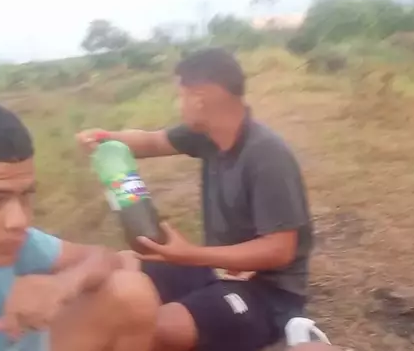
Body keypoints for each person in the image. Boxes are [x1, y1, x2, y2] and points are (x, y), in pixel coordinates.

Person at [77, 47, 314, 351]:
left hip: (269, 294)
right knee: (121, 265)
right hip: (215, 270)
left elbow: (280, 250)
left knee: (158, 328)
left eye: (181, 95)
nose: (179, 104)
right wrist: (105, 139)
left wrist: (191, 254)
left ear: (200, 99)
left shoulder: (267, 156)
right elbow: (152, 141)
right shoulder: (207, 137)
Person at [0, 94, 160, 351]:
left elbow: (104, 257)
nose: (19, 221)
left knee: (129, 291)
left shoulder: (9, 240)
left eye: (25, 196)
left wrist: (65, 284)